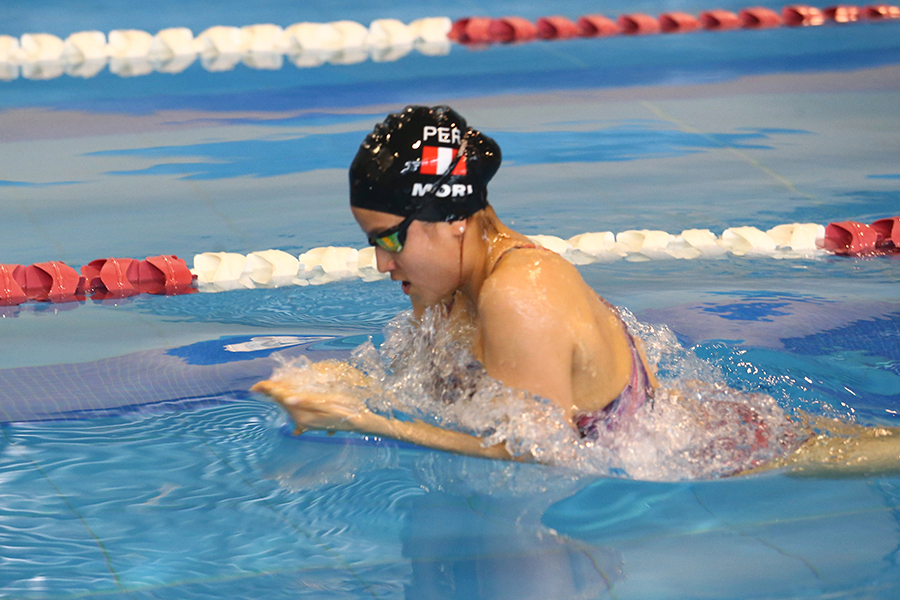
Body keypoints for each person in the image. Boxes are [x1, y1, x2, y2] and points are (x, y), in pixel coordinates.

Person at [253, 105, 899, 478]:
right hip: (695, 418)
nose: (377, 263)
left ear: (449, 218)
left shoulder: (518, 293)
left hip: (716, 452)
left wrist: (363, 419)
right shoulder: (451, 286)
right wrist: (354, 383)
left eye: (388, 239)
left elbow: (541, 458)